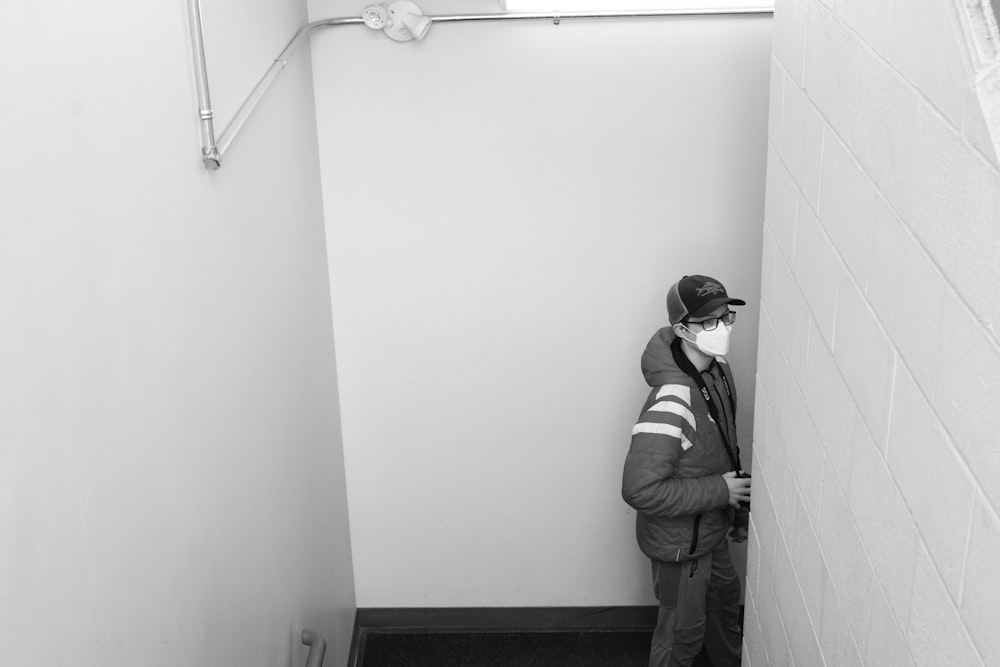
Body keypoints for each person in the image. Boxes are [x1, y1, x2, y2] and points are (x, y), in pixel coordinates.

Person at [622, 274, 752, 667]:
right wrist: (721, 492)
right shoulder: (671, 400)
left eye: (726, 317)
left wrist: (735, 511)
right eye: (709, 322)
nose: (723, 328)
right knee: (682, 637)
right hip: (681, 544)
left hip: (710, 529)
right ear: (682, 329)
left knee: (725, 611)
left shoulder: (717, 371)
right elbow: (640, 490)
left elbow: (722, 447)